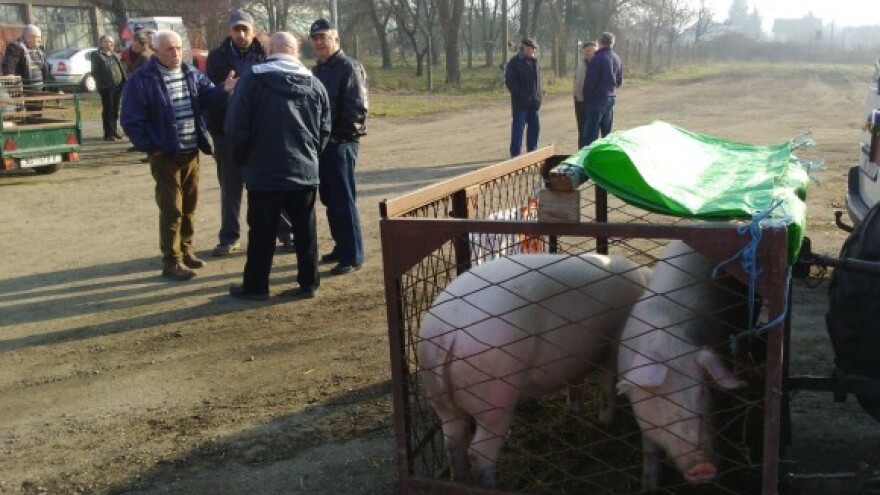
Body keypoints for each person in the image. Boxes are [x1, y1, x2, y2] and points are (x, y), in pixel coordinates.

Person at [120, 30, 237, 281]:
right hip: (165, 156)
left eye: (178, 48)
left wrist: (223, 89)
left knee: (189, 206)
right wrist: (152, 147)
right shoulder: (142, 80)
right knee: (172, 209)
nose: (176, 54)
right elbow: (130, 120)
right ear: (156, 51)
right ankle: (171, 261)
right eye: (169, 49)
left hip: (190, 152)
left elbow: (207, 97)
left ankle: (186, 250)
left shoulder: (191, 73)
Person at [224, 31, 331, 300]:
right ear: (296, 52)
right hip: (304, 170)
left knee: (262, 232)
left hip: (263, 171)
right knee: (306, 230)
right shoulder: (315, 84)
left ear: (270, 50)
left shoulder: (251, 80)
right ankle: (309, 283)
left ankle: (256, 286)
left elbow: (236, 126)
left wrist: (243, 160)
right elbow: (324, 130)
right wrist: (311, 155)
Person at [205, 9, 271, 257]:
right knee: (230, 188)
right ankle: (229, 237)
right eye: (236, 29)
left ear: (254, 31)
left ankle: (282, 233)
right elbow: (208, 94)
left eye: (245, 29)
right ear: (230, 31)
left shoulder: (265, 55)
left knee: (267, 185)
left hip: (258, 133)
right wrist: (224, 90)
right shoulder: (216, 57)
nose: (241, 34)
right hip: (226, 132)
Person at [309, 18, 368, 275]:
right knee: (330, 199)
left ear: (336, 39)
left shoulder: (349, 67)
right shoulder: (318, 71)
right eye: (315, 38)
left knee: (343, 199)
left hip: (341, 144)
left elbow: (357, 110)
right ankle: (341, 246)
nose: (320, 42)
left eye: (324, 37)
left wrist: (336, 138)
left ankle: (352, 255)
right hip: (322, 145)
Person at [581, 32, 623, 147]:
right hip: (611, 96)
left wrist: (586, 96)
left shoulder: (597, 58)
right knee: (606, 131)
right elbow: (619, 81)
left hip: (597, 97)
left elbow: (590, 81)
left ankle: (589, 155)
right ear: (612, 43)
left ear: (599, 42)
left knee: (591, 133)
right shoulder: (617, 58)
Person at [504, 37, 544, 157]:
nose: (533, 51)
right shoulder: (514, 62)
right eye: (531, 48)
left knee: (534, 129)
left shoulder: (535, 62)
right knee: (518, 130)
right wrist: (521, 96)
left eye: (534, 49)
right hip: (520, 104)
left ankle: (532, 153)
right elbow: (510, 82)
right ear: (525, 48)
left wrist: (540, 95)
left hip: (534, 104)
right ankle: (515, 155)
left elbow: (539, 81)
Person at [90, 35, 126, 141]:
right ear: (101, 43)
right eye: (106, 41)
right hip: (106, 87)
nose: (109, 44)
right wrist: (102, 85)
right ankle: (108, 133)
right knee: (108, 109)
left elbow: (120, 68)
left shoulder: (114, 55)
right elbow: (95, 72)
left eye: (111, 42)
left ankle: (114, 131)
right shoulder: (97, 55)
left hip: (118, 86)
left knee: (115, 109)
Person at [1, 24, 50, 91]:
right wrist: (10, 74)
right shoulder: (15, 47)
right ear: (28, 37)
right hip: (25, 91)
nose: (40, 40)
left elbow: (47, 71)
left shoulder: (40, 50)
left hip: (41, 90)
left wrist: (56, 89)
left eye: (40, 37)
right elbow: (9, 63)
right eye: (37, 37)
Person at [573, 41, 597, 148]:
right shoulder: (581, 64)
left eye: (590, 50)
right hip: (579, 102)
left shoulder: (597, 65)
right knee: (581, 130)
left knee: (590, 131)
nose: (587, 53)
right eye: (586, 51)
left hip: (591, 102)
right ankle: (581, 152)